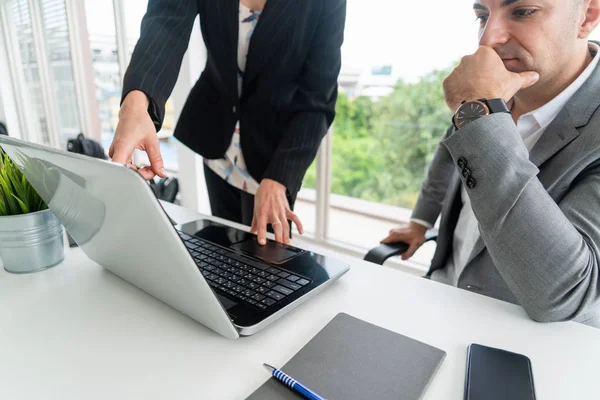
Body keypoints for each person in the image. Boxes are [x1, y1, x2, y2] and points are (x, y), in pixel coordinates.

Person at [380, 0, 600, 327]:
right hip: (443, 302)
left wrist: (481, 114)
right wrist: (420, 221)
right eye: (482, 16)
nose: (487, 40)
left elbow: (563, 292)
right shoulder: (493, 89)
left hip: (523, 349)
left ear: (587, 16)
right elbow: (448, 153)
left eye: (522, 11)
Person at [109, 0, 346, 245]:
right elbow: (165, 22)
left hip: (274, 156)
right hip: (217, 140)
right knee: (224, 253)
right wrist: (135, 106)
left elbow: (318, 100)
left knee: (267, 264)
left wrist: (281, 177)